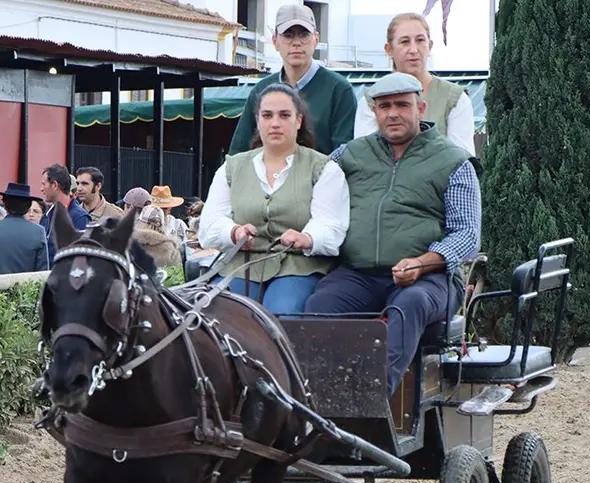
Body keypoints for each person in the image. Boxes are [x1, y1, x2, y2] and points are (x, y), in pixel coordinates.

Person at [303, 73, 480, 397]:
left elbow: (467, 234)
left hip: (431, 280)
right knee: (320, 304)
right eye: (384, 106)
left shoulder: (453, 160)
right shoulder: (349, 155)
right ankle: (317, 400)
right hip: (358, 274)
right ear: (374, 112)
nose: (393, 113)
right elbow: (312, 194)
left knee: (408, 305)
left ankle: (369, 401)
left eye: (402, 105)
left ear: (421, 107)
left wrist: (423, 263)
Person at [200, 83, 349, 315]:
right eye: (267, 115)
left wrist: (308, 237)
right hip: (242, 265)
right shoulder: (232, 167)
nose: (275, 123)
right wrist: (234, 232)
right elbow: (210, 224)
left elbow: (332, 225)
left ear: (298, 121)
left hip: (298, 266)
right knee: (220, 314)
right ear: (258, 121)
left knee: (281, 314)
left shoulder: (324, 169)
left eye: (284, 115)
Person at [227, 3, 357, 157]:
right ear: (275, 41)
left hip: (322, 179)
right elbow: (238, 153)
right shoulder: (260, 91)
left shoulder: (339, 90)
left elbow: (345, 155)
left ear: (316, 39)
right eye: (288, 35)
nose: (296, 42)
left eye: (304, 34)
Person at [353, 13, 476, 155]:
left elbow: (463, 159)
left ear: (429, 46)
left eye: (420, 40)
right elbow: (363, 158)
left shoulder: (454, 99)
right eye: (405, 42)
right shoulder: (371, 100)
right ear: (389, 50)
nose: (413, 50)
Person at [0, 182, 49, 275]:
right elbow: (42, 274)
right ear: (28, 207)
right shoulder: (38, 232)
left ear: (5, 205)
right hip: (27, 289)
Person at [39, 163, 89, 259]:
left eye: (43, 184)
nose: (41, 189)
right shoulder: (45, 218)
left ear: (54, 185)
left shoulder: (80, 217)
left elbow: (82, 256)